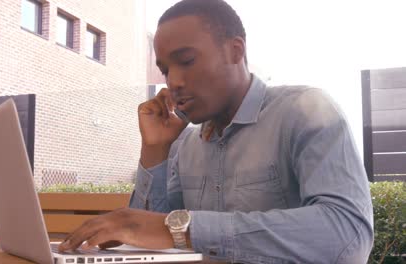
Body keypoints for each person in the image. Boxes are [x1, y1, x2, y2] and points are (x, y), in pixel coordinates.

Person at [59, 0, 374, 262]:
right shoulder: (185, 144)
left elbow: (349, 234)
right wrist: (155, 151)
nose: (174, 81)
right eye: (166, 69)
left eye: (186, 60)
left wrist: (181, 229)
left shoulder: (305, 110)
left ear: (235, 51)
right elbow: (141, 242)